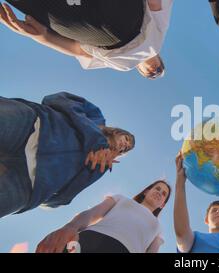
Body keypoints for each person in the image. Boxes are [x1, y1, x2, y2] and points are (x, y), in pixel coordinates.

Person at [0, 92, 135, 218]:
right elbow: (56, 99)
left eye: (126, 150)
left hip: (28, 184)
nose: (124, 146)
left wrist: (40, 194)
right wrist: (96, 139)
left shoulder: (100, 166)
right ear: (118, 131)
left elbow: (64, 197)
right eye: (127, 140)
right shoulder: (96, 117)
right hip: (32, 126)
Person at [0, 0, 173, 79]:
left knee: (46, 13)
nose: (154, 71)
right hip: (128, 18)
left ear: (140, 71)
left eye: (151, 74)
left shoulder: (120, 65)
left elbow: (78, 50)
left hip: (92, 33)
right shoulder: (156, 40)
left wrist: (42, 37)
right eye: (159, 69)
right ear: (159, 58)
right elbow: (155, 4)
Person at [36, 180, 171, 253]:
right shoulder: (121, 198)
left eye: (164, 193)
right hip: (89, 239)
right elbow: (93, 213)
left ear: (163, 204)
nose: (159, 193)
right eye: (157, 188)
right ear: (147, 190)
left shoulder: (158, 227)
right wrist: (70, 227)